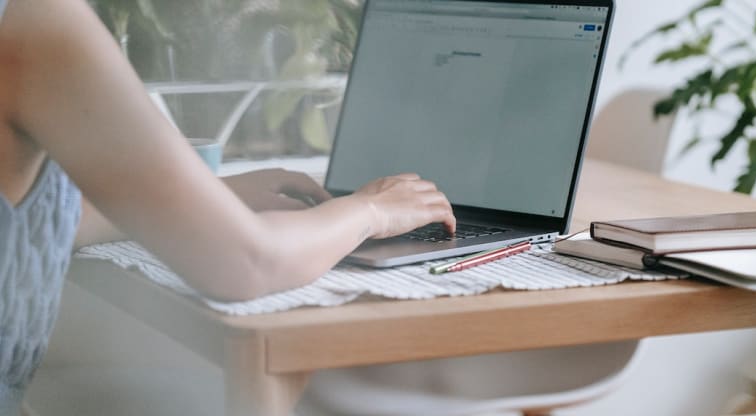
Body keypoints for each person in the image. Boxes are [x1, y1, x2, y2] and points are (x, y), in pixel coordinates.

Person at [0, 0, 456, 412]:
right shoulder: (37, 21)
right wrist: (371, 210)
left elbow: (41, 224)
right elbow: (247, 263)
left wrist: (213, 201)